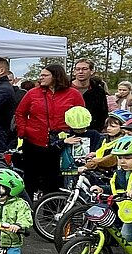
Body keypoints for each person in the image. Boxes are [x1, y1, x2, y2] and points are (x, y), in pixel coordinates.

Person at [13, 63, 85, 198]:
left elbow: (81, 114)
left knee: (53, 181)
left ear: (56, 76)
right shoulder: (33, 93)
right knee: (30, 179)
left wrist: (76, 133)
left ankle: (49, 213)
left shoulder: (73, 94)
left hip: (61, 144)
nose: (41, 78)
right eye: (41, 75)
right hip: (34, 142)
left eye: (45, 75)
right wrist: (23, 132)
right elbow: (20, 113)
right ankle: (26, 211)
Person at [55, 106, 104, 188]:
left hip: (89, 169)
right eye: (76, 129)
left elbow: (100, 148)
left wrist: (95, 153)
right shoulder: (65, 135)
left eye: (82, 128)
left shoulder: (94, 134)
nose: (79, 131)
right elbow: (54, 148)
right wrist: (64, 141)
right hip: (70, 170)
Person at [71, 59, 109, 130]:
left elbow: (103, 113)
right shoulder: (64, 89)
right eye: (78, 69)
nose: (80, 72)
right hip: (68, 131)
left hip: (92, 131)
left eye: (84, 69)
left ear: (91, 71)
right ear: (74, 72)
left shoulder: (98, 91)